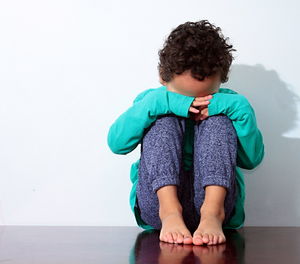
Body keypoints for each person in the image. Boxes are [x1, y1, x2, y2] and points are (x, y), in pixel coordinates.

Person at [107, 20, 265, 246]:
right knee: (163, 118)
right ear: (163, 77)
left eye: (206, 97)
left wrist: (238, 108)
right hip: (160, 205)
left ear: (221, 80)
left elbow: (251, 160)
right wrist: (164, 102)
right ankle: (170, 211)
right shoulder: (153, 100)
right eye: (183, 96)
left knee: (218, 120)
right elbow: (116, 143)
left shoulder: (231, 104)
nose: (194, 104)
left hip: (217, 204)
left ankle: (212, 213)